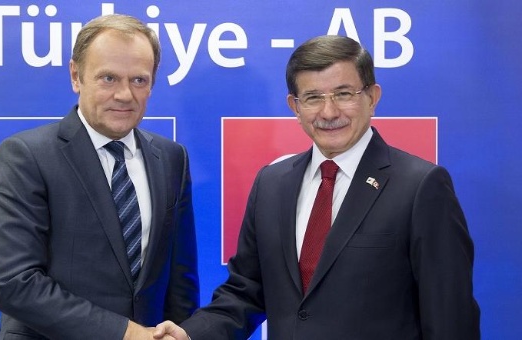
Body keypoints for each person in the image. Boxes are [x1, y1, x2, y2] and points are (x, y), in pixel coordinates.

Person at [154, 35, 480, 339]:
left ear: (372, 97)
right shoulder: (272, 183)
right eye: (312, 98)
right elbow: (247, 290)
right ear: (295, 107)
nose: (329, 112)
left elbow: (450, 318)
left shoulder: (421, 186)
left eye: (343, 94)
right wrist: (190, 334)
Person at [0, 14, 199, 339]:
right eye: (109, 78)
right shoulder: (26, 156)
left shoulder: (171, 158)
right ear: (76, 76)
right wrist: (124, 333)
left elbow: (180, 281)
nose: (125, 94)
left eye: (139, 80)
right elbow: (15, 284)